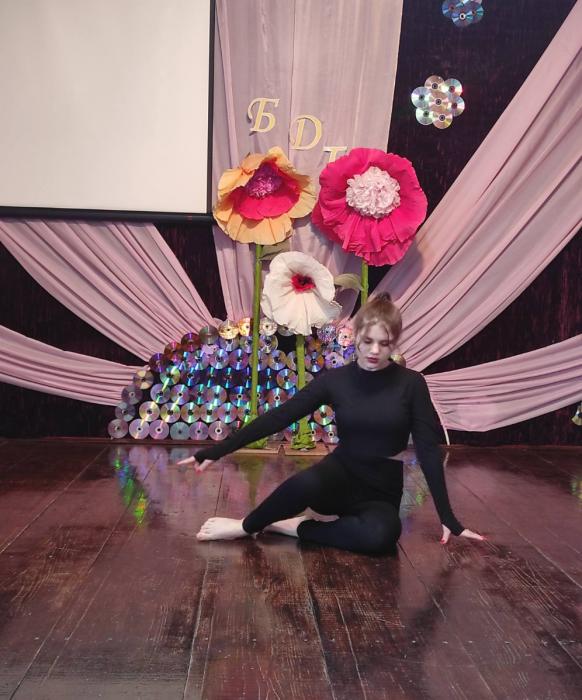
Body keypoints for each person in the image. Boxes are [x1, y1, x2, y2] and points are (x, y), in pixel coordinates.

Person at [178, 294, 484, 554]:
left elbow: (428, 451)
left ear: (394, 343)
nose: (374, 351)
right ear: (356, 335)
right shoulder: (336, 381)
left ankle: (297, 527)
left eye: (384, 343)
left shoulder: (412, 383)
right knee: (304, 483)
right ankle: (247, 526)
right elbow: (280, 417)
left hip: (380, 490)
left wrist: (448, 517)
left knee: (381, 538)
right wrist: (217, 450)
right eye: (367, 341)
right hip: (337, 477)